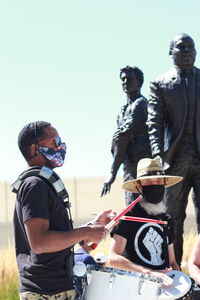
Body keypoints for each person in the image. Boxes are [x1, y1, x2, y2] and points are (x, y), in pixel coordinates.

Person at [12, 121, 114, 300]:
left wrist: (92, 227)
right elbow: (40, 243)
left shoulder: (44, 184)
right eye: (54, 141)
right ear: (35, 149)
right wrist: (85, 232)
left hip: (59, 287)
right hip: (44, 292)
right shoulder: (34, 185)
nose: (61, 146)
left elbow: (58, 238)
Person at [147, 33, 200, 266]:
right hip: (173, 160)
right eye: (181, 47)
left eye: (191, 47)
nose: (187, 51)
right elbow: (154, 122)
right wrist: (158, 155)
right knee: (173, 218)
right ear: (171, 53)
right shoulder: (160, 84)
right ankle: (174, 269)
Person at [109, 156, 182, 285]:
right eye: (149, 181)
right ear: (139, 186)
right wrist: (148, 272)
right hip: (135, 288)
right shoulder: (127, 216)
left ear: (164, 184)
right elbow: (113, 258)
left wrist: (180, 283)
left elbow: (172, 262)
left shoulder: (166, 220)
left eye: (159, 181)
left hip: (164, 288)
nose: (155, 185)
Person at [101, 66, 151, 205]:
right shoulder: (122, 111)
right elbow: (119, 143)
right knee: (131, 205)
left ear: (139, 82)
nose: (125, 82)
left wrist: (112, 173)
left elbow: (123, 136)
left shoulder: (140, 104)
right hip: (129, 165)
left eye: (129, 79)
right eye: (122, 79)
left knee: (141, 208)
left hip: (143, 166)